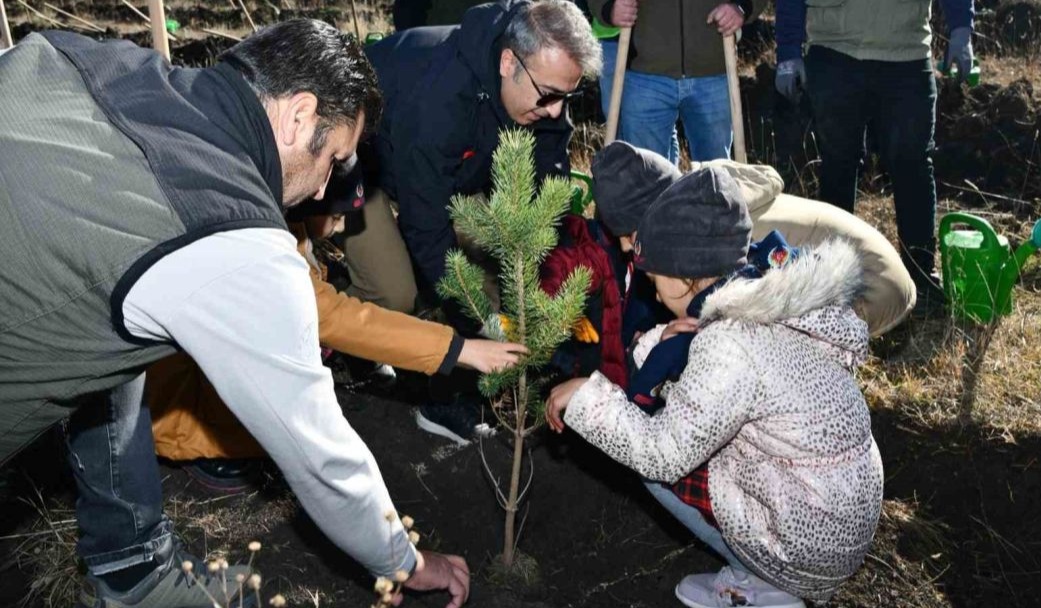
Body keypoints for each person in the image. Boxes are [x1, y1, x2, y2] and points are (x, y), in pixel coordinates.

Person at [0, 21, 473, 608]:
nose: (330, 183)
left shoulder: (88, 57)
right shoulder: (231, 235)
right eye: (336, 159)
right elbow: (320, 455)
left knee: (121, 343)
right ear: (300, 117)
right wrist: (404, 560)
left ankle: (132, 566)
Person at [546, 166, 883, 608]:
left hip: (808, 544)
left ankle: (768, 585)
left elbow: (662, 451)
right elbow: (713, 398)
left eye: (653, 272)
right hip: (841, 508)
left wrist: (586, 395)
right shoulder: (766, 288)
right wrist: (659, 344)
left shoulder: (729, 345)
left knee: (652, 467)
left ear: (686, 274)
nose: (649, 283)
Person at [147, 163, 527, 491]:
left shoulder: (278, 211)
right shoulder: (269, 251)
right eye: (338, 214)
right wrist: (461, 350)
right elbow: (338, 318)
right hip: (166, 402)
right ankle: (206, 444)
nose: (344, 225)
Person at [337, 0, 602, 440]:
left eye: (567, 97)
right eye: (550, 96)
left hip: (444, 168)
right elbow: (426, 227)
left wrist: (553, 289)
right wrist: (481, 321)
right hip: (360, 161)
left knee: (492, 261)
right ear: (507, 63)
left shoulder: (541, 83)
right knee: (395, 289)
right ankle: (346, 336)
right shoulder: (440, 98)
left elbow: (544, 187)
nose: (557, 110)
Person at [591, 141, 915, 338]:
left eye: (633, 239)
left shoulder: (720, 237)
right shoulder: (708, 204)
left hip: (868, 284)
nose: (630, 251)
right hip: (864, 263)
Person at [774, 0, 976, 313]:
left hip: (906, 55)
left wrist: (962, 31)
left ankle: (921, 276)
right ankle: (833, 280)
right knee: (838, 165)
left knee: (913, 165)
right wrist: (788, 50)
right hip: (834, 54)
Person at [588, 0, 765, 164]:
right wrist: (609, 8)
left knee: (716, 179)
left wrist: (742, 7)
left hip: (713, 70)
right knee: (647, 179)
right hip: (645, 72)